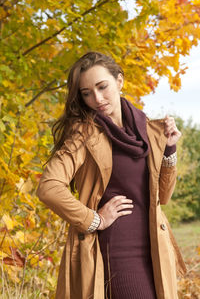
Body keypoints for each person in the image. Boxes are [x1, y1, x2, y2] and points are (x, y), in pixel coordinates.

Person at [36, 51, 187, 299]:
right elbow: (49, 187)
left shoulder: (146, 128)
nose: (97, 98)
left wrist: (169, 148)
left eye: (102, 87)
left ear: (119, 81)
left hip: (154, 249)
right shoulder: (84, 134)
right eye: (86, 93)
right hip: (118, 251)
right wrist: (95, 219)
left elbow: (162, 197)